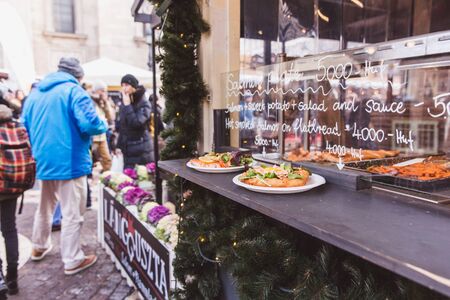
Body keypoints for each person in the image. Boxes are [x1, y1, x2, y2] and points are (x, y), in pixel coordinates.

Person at [22, 57, 107, 275]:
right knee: (72, 213)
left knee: (44, 207)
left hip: (43, 161)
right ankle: (72, 258)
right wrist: (104, 124)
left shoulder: (36, 93)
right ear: (78, 75)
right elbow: (90, 123)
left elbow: (25, 126)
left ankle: (38, 247)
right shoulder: (74, 91)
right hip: (70, 162)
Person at [0, 105, 21, 297]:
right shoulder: (15, 128)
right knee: (9, 230)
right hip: (11, 186)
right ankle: (12, 278)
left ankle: (0, 281)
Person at [117, 74, 153, 168]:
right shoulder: (125, 101)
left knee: (141, 179)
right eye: (122, 85)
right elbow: (122, 126)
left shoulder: (144, 103)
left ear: (134, 87)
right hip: (128, 149)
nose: (124, 88)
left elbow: (137, 123)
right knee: (129, 179)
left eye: (127, 85)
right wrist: (118, 146)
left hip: (141, 148)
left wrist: (128, 105)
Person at [90, 81, 114, 171]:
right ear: (97, 91)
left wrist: (106, 103)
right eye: (103, 91)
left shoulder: (102, 102)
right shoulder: (90, 101)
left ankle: (106, 177)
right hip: (93, 137)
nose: (105, 93)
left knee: (107, 159)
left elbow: (110, 117)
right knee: (90, 160)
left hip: (102, 136)